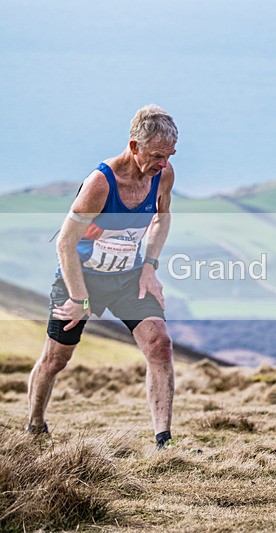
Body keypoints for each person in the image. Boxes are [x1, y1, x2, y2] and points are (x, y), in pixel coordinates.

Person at [26, 105, 178, 449]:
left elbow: (162, 218)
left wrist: (150, 266)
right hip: (81, 277)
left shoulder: (163, 175)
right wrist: (79, 298)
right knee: (56, 359)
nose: (164, 164)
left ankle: (163, 442)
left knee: (160, 345)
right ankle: (35, 426)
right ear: (134, 146)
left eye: (170, 155)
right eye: (157, 155)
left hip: (129, 278)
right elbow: (65, 243)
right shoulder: (101, 183)